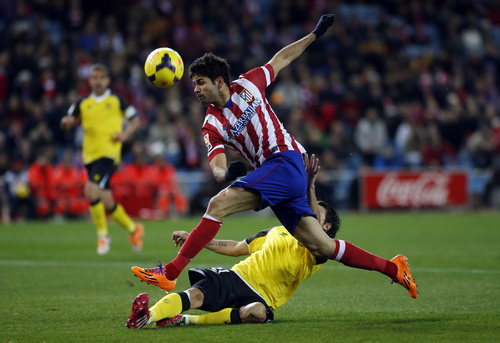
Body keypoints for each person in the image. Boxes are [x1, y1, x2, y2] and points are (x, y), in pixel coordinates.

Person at [132, 15, 417, 299]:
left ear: (220, 81)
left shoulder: (249, 84)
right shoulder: (211, 124)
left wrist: (314, 34)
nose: (195, 90)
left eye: (201, 82)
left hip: (287, 160)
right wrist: (227, 174)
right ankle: (394, 268)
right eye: (194, 84)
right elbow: (217, 167)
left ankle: (169, 273)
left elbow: (282, 58)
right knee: (322, 247)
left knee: (217, 204)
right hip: (278, 177)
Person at [126, 156, 415, 329]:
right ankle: (147, 316)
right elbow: (238, 247)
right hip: (240, 276)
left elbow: (312, 221)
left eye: (317, 216)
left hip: (262, 298)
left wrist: (310, 184)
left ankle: (184, 321)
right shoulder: (275, 231)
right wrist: (198, 241)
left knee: (257, 314)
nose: (306, 215)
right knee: (196, 295)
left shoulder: (316, 250)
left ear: (325, 227)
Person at [60, 63, 144, 255]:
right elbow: (68, 121)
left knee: (90, 190)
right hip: (89, 156)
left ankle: (103, 235)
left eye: (101, 77)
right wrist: (66, 123)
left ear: (107, 80)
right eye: (94, 78)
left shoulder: (117, 101)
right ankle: (134, 229)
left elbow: (135, 119)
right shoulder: (82, 103)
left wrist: (125, 135)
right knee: (105, 198)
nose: (98, 81)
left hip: (109, 154)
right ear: (90, 81)